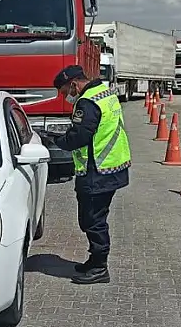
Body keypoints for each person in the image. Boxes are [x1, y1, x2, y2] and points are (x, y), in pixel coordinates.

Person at [51, 65, 132, 284]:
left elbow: (79, 137)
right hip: (112, 168)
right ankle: (95, 259)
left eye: (67, 91)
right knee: (96, 218)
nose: (67, 96)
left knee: (92, 220)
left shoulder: (86, 102)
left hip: (97, 171)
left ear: (74, 84)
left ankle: (99, 267)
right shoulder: (105, 92)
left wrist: (55, 140)